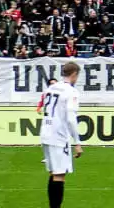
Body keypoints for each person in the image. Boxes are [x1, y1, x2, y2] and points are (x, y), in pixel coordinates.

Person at [39, 62, 83, 208]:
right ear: (74, 74)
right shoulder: (71, 92)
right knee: (59, 174)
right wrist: (77, 142)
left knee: (53, 172)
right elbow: (71, 118)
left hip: (46, 132)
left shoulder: (51, 88)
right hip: (58, 135)